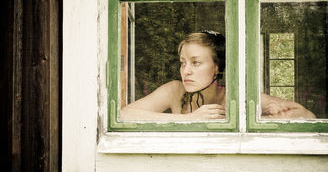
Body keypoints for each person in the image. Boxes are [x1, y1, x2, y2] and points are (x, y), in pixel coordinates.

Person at [120, 31, 315, 121]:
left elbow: (307, 115)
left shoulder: (234, 96)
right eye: (183, 62)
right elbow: (125, 114)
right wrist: (190, 120)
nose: (185, 70)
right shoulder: (174, 90)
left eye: (196, 62)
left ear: (216, 68)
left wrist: (268, 116)